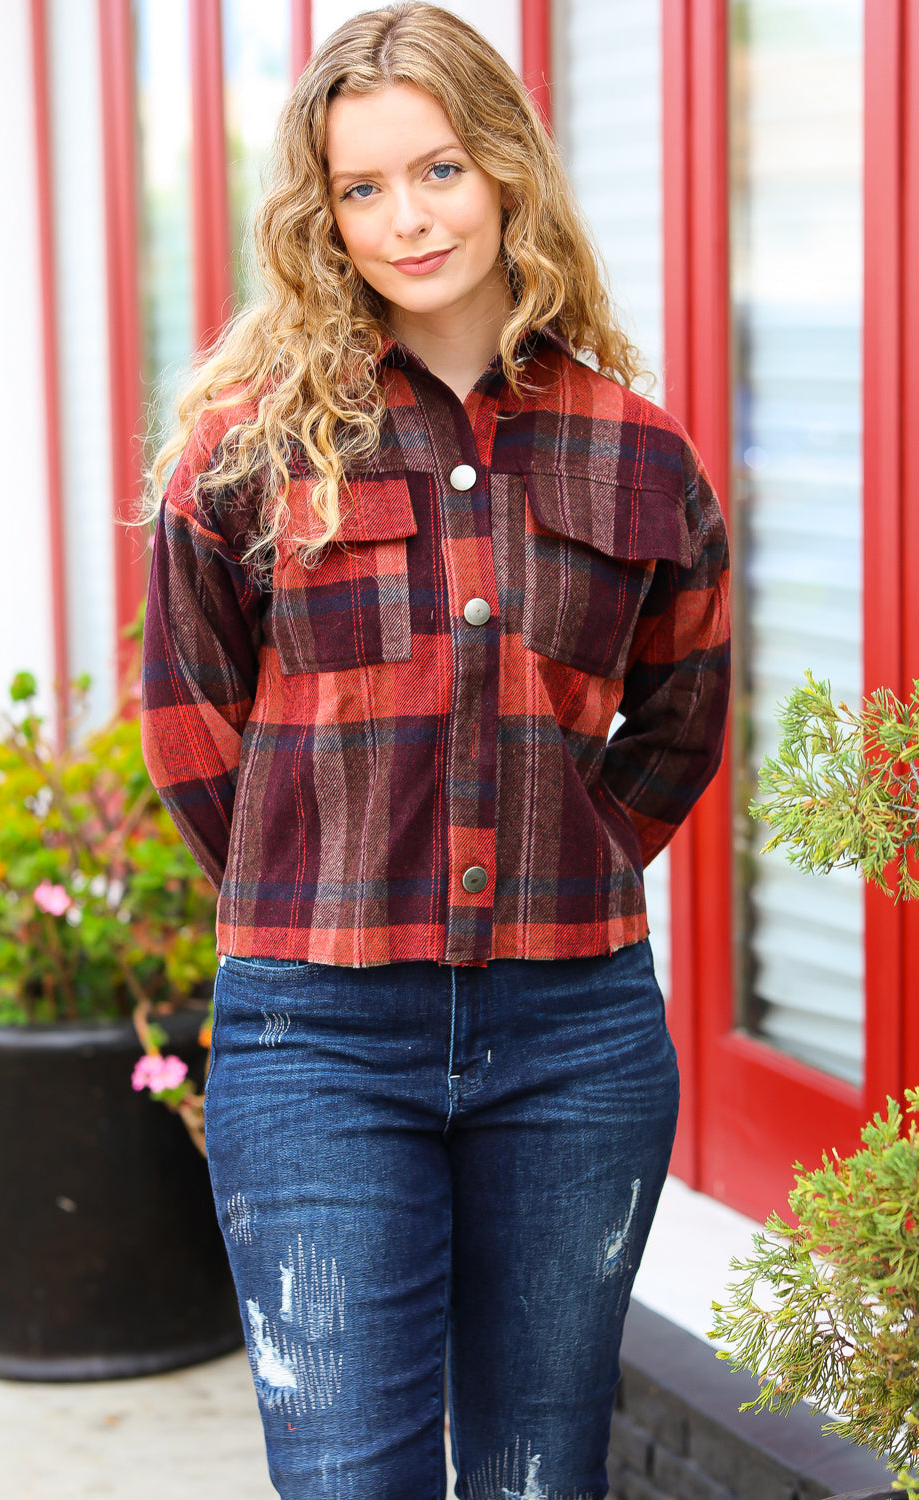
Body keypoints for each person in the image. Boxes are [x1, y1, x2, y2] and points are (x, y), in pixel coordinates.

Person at [141, 5, 730, 1497]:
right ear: (320, 216)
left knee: (545, 1473)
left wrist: (559, 851)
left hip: (575, 1042)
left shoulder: (638, 452)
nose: (407, 217)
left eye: (442, 170)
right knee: (350, 1478)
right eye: (361, 187)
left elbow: (680, 716)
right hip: (315, 1040)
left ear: (509, 173)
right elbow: (192, 729)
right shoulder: (246, 449)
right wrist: (317, 875)